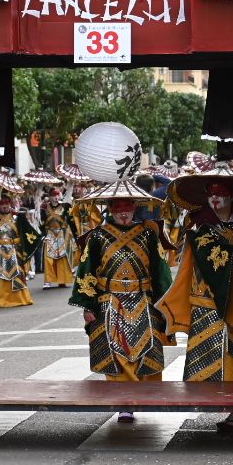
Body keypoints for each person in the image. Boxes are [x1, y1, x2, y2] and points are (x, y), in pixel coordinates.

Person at [72, 175, 173, 422]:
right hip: (109, 300)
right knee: (116, 351)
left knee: (146, 347)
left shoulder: (149, 234)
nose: (123, 213)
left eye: (127, 207)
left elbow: (161, 270)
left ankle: (146, 396)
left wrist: (165, 305)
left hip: (143, 298)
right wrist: (87, 304)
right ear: (110, 210)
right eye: (118, 208)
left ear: (134, 208)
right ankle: (123, 402)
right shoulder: (96, 237)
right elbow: (86, 271)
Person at [160, 170, 233, 431]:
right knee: (207, 350)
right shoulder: (198, 224)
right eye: (211, 195)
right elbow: (182, 250)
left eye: (221, 195)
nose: (216, 200)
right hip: (205, 297)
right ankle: (218, 403)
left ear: (232, 197)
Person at [0, 184, 38, 308]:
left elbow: (28, 234)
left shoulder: (18, 217)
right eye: (1, 204)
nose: (4, 206)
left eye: (6, 203)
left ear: (10, 204)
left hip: (15, 251)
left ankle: (19, 299)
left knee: (16, 276)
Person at [39, 193, 79, 289]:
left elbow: (70, 220)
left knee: (62, 258)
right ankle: (48, 281)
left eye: (57, 195)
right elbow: (41, 223)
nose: (55, 197)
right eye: (53, 195)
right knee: (48, 258)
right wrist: (42, 235)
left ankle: (62, 280)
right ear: (50, 197)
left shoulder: (64, 206)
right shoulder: (44, 208)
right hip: (50, 234)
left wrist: (76, 234)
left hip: (62, 234)